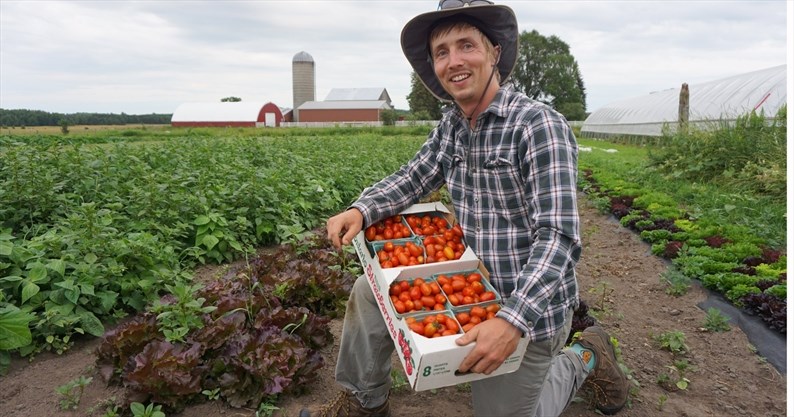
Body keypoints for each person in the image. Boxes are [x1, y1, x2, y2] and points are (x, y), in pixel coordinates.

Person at [302, 1, 629, 416]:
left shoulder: (537, 126)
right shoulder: (452, 126)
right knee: (370, 292)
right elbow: (414, 176)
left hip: (529, 309)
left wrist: (512, 321)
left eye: (466, 45)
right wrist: (363, 210)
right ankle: (365, 403)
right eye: (441, 52)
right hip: (471, 283)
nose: (454, 61)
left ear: (494, 51)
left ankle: (583, 357)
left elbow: (559, 238)